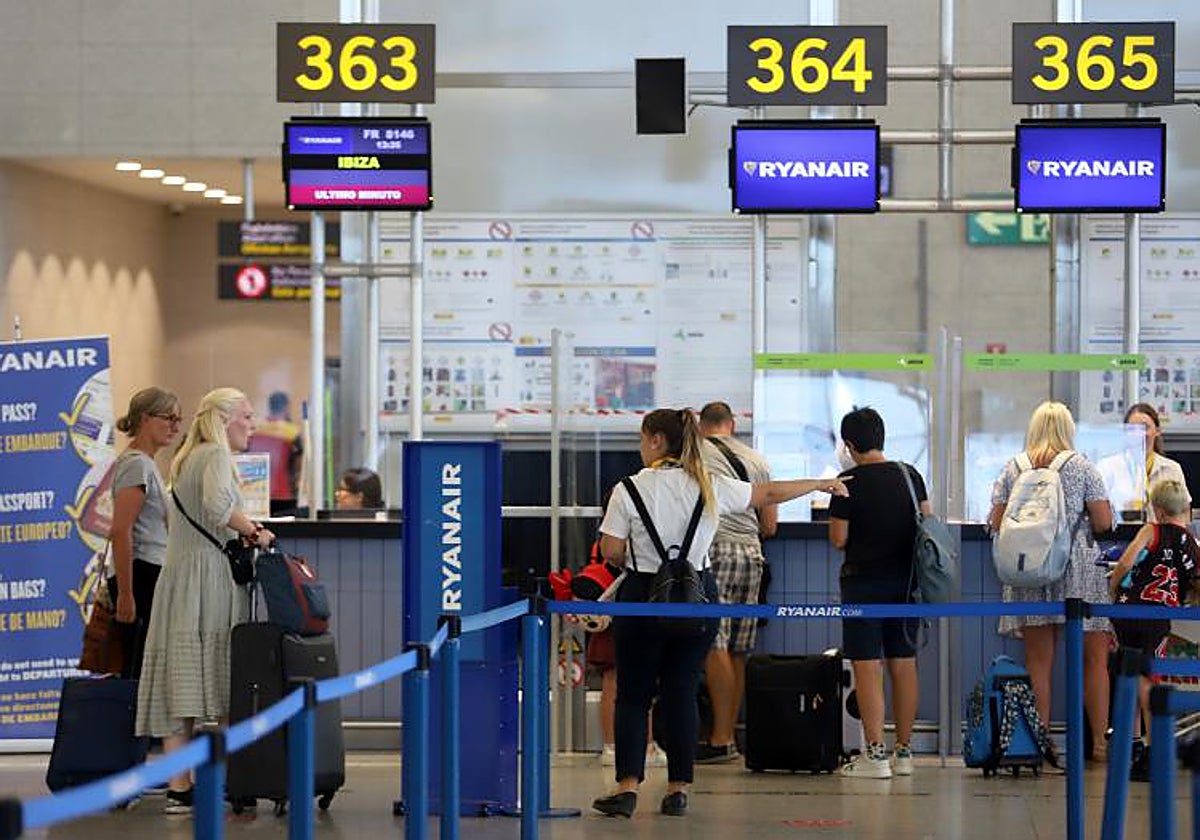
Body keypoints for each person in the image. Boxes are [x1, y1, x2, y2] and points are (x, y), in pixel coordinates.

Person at [591, 408, 847, 818]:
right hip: (697, 596)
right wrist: (820, 484)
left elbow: (611, 550)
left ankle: (627, 786)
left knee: (635, 695)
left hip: (643, 597)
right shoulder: (708, 485)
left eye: (642, 439)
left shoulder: (627, 489)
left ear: (657, 441)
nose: (640, 447)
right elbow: (767, 494)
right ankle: (678, 788)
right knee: (681, 690)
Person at [135, 388, 275, 814]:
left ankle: (181, 787)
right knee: (221, 680)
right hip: (208, 580)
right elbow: (217, 506)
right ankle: (234, 781)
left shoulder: (185, 458)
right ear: (225, 418)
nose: (254, 425)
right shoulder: (214, 455)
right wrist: (254, 530)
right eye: (248, 417)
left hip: (178, 581)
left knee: (181, 685)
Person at [988, 400, 1114, 767]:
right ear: (1068, 429)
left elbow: (996, 521)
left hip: (1029, 568)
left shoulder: (1013, 467)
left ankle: (1039, 743)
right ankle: (1100, 745)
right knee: (1094, 660)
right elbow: (1104, 521)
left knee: (1038, 662)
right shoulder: (1083, 466)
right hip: (1077, 569)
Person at [828, 407, 926, 779]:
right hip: (906, 582)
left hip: (862, 583)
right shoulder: (910, 475)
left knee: (868, 667)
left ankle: (875, 754)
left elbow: (839, 539)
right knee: (904, 663)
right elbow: (926, 522)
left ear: (850, 445)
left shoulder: (847, 481)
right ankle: (904, 752)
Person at [695, 400, 776, 764]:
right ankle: (729, 736)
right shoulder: (757, 459)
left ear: (701, 426)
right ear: (731, 424)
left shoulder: (695, 454)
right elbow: (769, 526)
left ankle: (721, 738)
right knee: (738, 650)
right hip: (752, 556)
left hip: (716, 553)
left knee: (715, 645)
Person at [1109, 478, 1198, 781]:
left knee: (1128, 672)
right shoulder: (1190, 542)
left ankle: (1133, 744)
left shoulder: (1151, 531)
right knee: (1149, 675)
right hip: (1159, 617)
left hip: (1128, 610)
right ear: (1184, 509)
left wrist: (1112, 588)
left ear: (1157, 511)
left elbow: (1125, 562)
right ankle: (1153, 746)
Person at [108, 387, 182, 680]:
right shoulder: (137, 465)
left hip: (148, 573)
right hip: (140, 575)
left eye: (179, 419)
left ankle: (140, 725)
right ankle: (133, 726)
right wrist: (126, 594)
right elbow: (120, 531)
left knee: (143, 667)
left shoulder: (146, 464)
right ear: (146, 418)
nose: (176, 426)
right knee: (138, 668)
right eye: (169, 418)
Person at [1098, 403, 1191, 523]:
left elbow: (1184, 512)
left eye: (1145, 427)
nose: (1139, 434)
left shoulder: (1172, 469)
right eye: (1133, 429)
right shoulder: (1107, 467)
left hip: (1163, 539)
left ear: (1157, 431)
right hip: (1122, 539)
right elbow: (1099, 515)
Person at [246, 390, 304, 514]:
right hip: (283, 492)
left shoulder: (256, 428)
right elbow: (300, 462)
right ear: (286, 407)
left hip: (256, 493)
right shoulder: (291, 431)